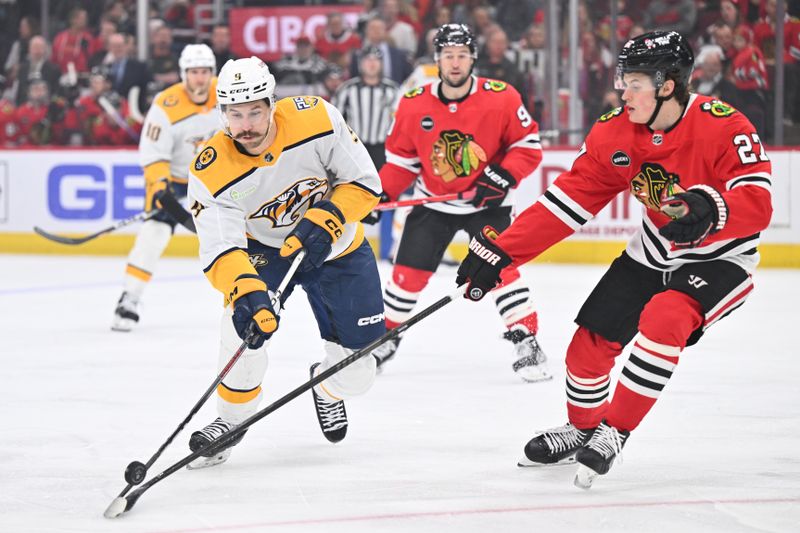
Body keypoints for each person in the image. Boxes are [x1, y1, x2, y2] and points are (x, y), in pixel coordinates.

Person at [455, 31, 773, 488]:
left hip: (721, 260)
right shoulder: (614, 131)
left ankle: (613, 431)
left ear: (668, 84)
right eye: (624, 80)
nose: (623, 91)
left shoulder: (726, 126)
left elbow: (759, 204)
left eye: (636, 82)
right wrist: (502, 251)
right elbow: (565, 204)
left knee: (665, 318)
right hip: (652, 252)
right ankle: (583, 428)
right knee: (587, 349)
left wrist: (712, 207)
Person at [185, 56, 385, 467]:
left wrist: (329, 216)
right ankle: (230, 421)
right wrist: (247, 290)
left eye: (255, 111)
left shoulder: (316, 119)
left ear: (272, 103)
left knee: (360, 371)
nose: (246, 125)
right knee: (242, 327)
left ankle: (327, 387)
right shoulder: (210, 169)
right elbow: (221, 248)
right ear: (222, 114)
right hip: (266, 251)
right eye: (235, 115)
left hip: (339, 246)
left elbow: (365, 182)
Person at [371, 23, 549, 383]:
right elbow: (402, 164)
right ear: (436, 60)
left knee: (500, 270)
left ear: (473, 59)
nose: (455, 63)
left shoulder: (502, 97)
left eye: (462, 55)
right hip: (435, 203)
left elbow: (528, 147)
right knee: (406, 277)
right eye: (448, 56)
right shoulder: (413, 102)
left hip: (488, 205)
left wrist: (503, 175)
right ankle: (385, 340)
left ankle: (526, 340)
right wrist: (380, 194)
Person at [111, 44, 220, 331]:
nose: (200, 78)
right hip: (174, 180)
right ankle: (129, 298)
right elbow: (153, 153)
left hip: (216, 178)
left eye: (205, 72)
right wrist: (161, 189)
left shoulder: (226, 93)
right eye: (194, 72)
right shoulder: (166, 105)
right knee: (154, 234)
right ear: (184, 74)